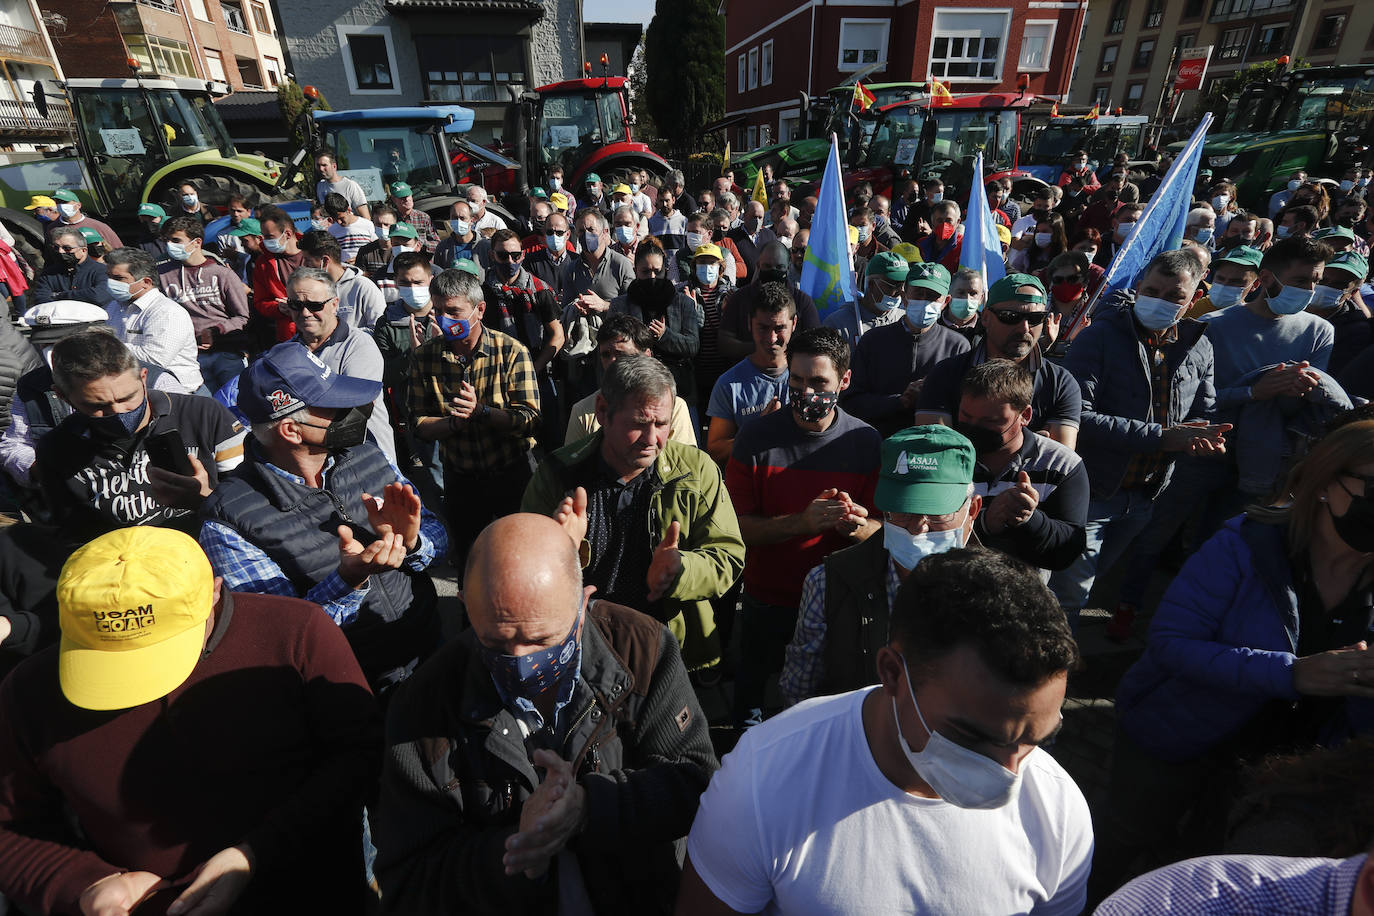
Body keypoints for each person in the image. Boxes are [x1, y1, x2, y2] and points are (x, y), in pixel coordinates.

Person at [678, 547, 1092, 914]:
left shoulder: (1058, 809)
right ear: (893, 673)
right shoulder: (761, 780)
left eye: (1036, 741)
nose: (1011, 773)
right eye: (972, 738)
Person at [0, 526, 382, 916]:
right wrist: (86, 887)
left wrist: (257, 851)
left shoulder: (297, 632)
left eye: (158, 649)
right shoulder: (28, 691)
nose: (138, 683)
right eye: (109, 655)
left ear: (214, 591)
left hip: (316, 894)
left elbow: (360, 756)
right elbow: (10, 828)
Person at [373, 512, 718, 914]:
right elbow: (410, 882)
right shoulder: (423, 706)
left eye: (542, 640)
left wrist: (593, 807)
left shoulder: (642, 650)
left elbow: (697, 781)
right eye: (496, 642)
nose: (520, 662)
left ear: (583, 603)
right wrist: (515, 854)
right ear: (466, 606)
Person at [1092, 417, 1374, 900]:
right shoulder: (1246, 544)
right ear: (1326, 483)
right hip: (1177, 736)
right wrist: (1293, 674)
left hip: (1283, 774)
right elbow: (1172, 642)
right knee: (1118, 844)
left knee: (1210, 875)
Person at [200, 342, 444, 692]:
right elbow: (284, 633)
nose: (354, 409)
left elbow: (438, 538)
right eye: (334, 406)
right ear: (291, 430)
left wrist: (414, 541)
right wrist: (347, 581)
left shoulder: (367, 454)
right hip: (347, 686)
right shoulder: (229, 521)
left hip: (429, 648)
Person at [523, 356, 745, 670]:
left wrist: (680, 569)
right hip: (580, 646)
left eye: (662, 424)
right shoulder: (557, 473)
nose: (652, 439)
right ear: (602, 411)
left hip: (667, 649)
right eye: (639, 424)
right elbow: (522, 571)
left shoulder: (696, 471)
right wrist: (561, 548)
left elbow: (728, 555)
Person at [726, 327, 881, 725]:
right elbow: (735, 528)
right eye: (796, 380)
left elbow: (885, 530)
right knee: (751, 705)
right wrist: (803, 522)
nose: (805, 392)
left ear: (844, 381)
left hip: (839, 604)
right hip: (767, 598)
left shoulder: (866, 442)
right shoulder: (755, 438)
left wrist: (855, 526)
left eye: (818, 382)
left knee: (824, 712)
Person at [778, 424, 980, 707]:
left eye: (937, 513)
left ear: (972, 510)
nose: (919, 528)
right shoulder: (828, 583)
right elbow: (799, 692)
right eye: (902, 510)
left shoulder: (1001, 591)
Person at [36, 330, 245, 540]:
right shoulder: (56, 448)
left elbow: (254, 504)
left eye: (128, 397)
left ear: (143, 379)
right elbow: (72, 534)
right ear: (62, 396)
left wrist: (204, 499)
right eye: (97, 406)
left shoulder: (204, 414)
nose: (119, 412)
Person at [408, 268, 541, 566]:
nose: (445, 319)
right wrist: (454, 423)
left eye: (454, 311)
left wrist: (482, 413)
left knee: (522, 556)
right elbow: (418, 424)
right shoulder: (424, 357)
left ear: (480, 310)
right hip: (461, 477)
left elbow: (530, 419)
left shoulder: (511, 352)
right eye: (438, 311)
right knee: (472, 561)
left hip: (511, 472)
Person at [915, 273, 1082, 449]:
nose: (1024, 328)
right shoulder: (946, 374)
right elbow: (934, 452)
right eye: (1010, 316)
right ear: (985, 317)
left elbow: (1058, 463)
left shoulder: (1060, 384)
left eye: (1034, 319)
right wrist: (1029, 444)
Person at [958, 359, 1088, 572]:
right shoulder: (944, 454)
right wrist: (984, 522)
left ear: (1025, 416)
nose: (973, 428)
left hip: (1021, 596)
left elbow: (1067, 551)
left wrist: (1029, 519)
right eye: (966, 416)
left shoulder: (1061, 465)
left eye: (989, 421)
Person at [845, 262, 971, 438]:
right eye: (918, 294)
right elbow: (851, 402)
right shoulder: (873, 341)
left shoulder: (958, 347)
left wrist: (931, 395)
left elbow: (965, 409)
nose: (925, 302)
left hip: (933, 451)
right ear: (905, 297)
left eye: (933, 297)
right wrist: (898, 402)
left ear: (945, 302)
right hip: (878, 445)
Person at [484, 227, 565, 443]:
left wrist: (534, 367)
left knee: (551, 436)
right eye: (503, 256)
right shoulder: (483, 294)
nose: (509, 261)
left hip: (538, 373)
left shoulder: (539, 289)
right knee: (509, 438)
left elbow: (558, 335)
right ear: (492, 255)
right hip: (499, 376)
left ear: (523, 254)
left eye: (515, 255)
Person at [565, 314, 696, 445]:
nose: (612, 361)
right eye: (606, 355)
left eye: (621, 354)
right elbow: (574, 462)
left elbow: (683, 462)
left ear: (646, 356)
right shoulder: (582, 411)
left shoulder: (674, 407)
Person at [157, 216, 251, 393]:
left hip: (226, 352)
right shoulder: (161, 275)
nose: (170, 245)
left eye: (176, 240)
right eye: (167, 240)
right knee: (208, 412)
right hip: (188, 358)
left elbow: (242, 317)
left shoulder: (223, 274)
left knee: (239, 404)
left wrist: (217, 330)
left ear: (197, 242)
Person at [705, 281, 796, 464]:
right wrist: (758, 431)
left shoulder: (811, 379)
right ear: (749, 323)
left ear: (794, 324)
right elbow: (716, 450)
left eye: (779, 328)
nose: (771, 338)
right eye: (763, 328)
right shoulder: (729, 385)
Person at [610, 240, 702, 407]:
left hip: (678, 391)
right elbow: (611, 348)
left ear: (665, 271)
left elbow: (693, 345)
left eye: (657, 272)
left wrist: (665, 336)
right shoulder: (619, 305)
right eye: (645, 272)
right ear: (636, 270)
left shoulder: (682, 303)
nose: (652, 277)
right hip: (633, 390)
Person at [102, 246, 203, 394]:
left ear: (146, 282)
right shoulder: (113, 307)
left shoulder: (167, 312)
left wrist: (106, 348)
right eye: (109, 277)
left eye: (118, 279)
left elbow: (154, 360)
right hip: (137, 393)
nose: (111, 283)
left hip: (178, 395)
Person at [559, 208, 635, 402]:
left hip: (615, 351)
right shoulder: (571, 270)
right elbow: (566, 307)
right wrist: (577, 308)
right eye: (581, 232)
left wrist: (606, 306)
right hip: (585, 353)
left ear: (605, 232)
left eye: (591, 230)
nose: (586, 236)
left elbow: (634, 305)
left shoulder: (620, 264)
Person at [718, 241, 820, 362]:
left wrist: (783, 352)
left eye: (779, 267)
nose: (773, 271)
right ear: (758, 265)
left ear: (788, 267)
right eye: (767, 266)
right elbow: (724, 342)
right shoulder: (740, 298)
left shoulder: (802, 301)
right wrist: (759, 348)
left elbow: (814, 343)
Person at [299, 228, 388, 336]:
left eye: (308, 260)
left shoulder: (363, 287)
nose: (304, 266)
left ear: (325, 261)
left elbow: (379, 330)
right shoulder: (313, 289)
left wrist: (338, 334)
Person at [247, 206, 307, 344]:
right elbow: (260, 301)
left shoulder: (314, 253)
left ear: (287, 234)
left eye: (269, 237)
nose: (264, 241)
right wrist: (278, 308)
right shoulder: (263, 263)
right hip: (288, 336)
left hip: (319, 330)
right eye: (263, 236)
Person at [823, 249, 907, 348]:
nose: (901, 291)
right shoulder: (838, 323)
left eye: (905, 285)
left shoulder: (906, 321)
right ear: (871, 284)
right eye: (894, 285)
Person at [1309, 250, 1370, 375]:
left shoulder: (1357, 330)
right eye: (1322, 280)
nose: (1327, 287)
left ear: (1352, 293)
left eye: (1339, 285)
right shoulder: (1288, 306)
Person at [32, 226, 106, 305]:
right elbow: (41, 299)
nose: (60, 251)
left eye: (67, 248)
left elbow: (99, 296)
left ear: (83, 250)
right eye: (56, 248)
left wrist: (59, 295)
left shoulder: (101, 271)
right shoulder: (49, 273)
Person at [44, 189, 121, 251]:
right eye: (58, 202)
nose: (61, 205)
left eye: (65, 202)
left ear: (78, 205)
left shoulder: (98, 227)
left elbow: (118, 251)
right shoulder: (52, 228)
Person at [526, 209, 574, 301]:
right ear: (545, 234)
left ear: (567, 235)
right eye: (550, 232)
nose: (554, 236)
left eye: (559, 233)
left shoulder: (576, 261)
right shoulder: (531, 261)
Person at [433, 200, 489, 274]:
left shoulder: (485, 246)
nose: (458, 221)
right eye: (454, 217)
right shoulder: (443, 247)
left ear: (472, 220)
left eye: (462, 218)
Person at [325, 191, 378, 264]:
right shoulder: (332, 230)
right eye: (335, 219)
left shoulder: (366, 224)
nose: (339, 222)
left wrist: (359, 258)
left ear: (348, 210)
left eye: (341, 218)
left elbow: (375, 247)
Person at [315, 150, 370, 220]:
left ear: (334, 166)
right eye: (318, 165)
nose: (321, 169)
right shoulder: (320, 186)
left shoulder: (350, 185)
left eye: (324, 165)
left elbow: (366, 217)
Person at [389, 181, 439, 253]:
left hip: (422, 258)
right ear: (394, 199)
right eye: (402, 197)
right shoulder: (390, 219)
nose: (407, 199)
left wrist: (418, 244)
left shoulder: (423, 217)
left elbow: (437, 244)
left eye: (408, 195)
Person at [939, 266, 984, 342]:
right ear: (949, 294)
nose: (967, 298)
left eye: (973, 293)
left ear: (981, 298)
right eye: (961, 292)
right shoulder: (931, 324)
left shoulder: (987, 328)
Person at [917, 200, 964, 273]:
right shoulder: (921, 244)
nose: (944, 225)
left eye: (948, 220)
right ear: (932, 222)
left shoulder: (964, 247)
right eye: (939, 220)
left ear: (958, 222)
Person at [648, 177, 687, 253]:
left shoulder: (684, 221)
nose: (664, 204)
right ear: (657, 201)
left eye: (667, 200)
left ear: (673, 200)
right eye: (661, 201)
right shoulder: (651, 222)